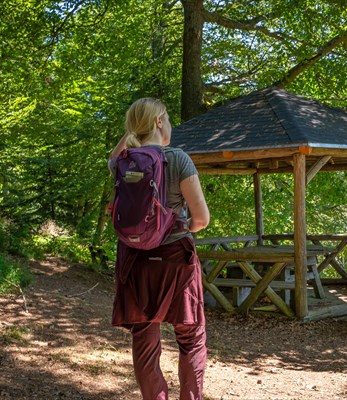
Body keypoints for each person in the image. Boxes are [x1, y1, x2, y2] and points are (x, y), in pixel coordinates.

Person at [108, 98, 210, 400]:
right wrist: (179, 227)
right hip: (175, 259)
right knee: (191, 338)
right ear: (158, 121)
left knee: (144, 337)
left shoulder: (122, 162)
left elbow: (113, 157)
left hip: (134, 261)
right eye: (167, 119)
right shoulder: (178, 159)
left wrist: (132, 131)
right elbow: (202, 219)